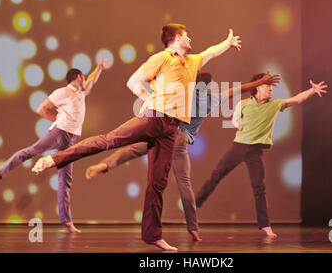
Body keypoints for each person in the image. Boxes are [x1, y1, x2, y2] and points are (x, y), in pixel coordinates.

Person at [31, 24, 242, 251]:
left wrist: (227, 43)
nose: (190, 37)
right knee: (108, 140)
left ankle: (152, 235)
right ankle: (54, 159)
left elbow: (210, 52)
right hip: (153, 118)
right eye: (187, 34)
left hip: (171, 129)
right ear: (177, 38)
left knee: (158, 183)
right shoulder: (162, 57)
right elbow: (133, 82)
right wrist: (149, 99)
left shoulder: (191, 62)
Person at [83, 71, 281, 242]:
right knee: (184, 182)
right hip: (180, 140)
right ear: (208, 86)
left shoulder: (184, 94)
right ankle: (193, 227)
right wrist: (259, 82)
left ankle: (106, 165)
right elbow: (239, 90)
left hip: (165, 133)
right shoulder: (212, 99)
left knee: (133, 149)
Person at [195, 74, 328, 239]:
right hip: (239, 146)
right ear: (257, 87)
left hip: (255, 151)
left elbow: (297, 99)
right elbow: (235, 120)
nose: (271, 89)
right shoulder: (243, 104)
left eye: (272, 87)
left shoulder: (275, 105)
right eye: (267, 86)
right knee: (216, 174)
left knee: (259, 187)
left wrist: (312, 90)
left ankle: (265, 226)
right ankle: (195, 204)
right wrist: (239, 125)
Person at [0, 57, 108, 233]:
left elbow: (92, 81)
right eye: (83, 77)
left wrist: (100, 67)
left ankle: (66, 220)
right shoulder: (62, 92)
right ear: (77, 77)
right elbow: (42, 108)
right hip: (59, 134)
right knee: (30, 152)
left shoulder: (81, 93)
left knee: (66, 178)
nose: (85, 80)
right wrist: (57, 119)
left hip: (71, 139)